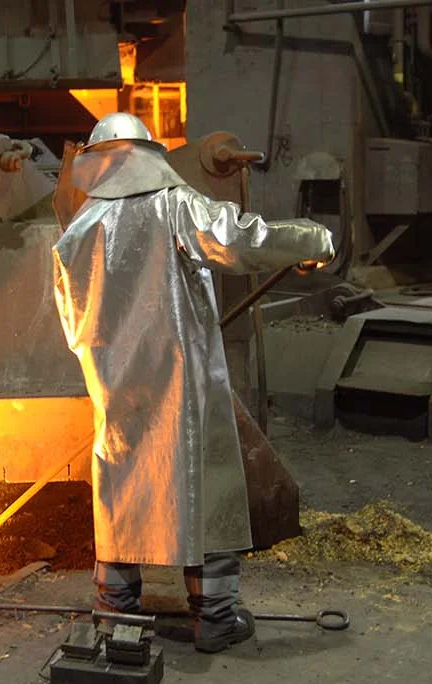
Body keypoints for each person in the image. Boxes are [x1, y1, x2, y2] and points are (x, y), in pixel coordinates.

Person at [52, 112, 335, 653]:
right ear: (145, 156)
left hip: (114, 385)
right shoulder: (173, 206)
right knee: (205, 486)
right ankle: (217, 619)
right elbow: (239, 240)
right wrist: (310, 239)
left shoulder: (77, 233)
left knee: (122, 488)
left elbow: (71, 324)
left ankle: (114, 619)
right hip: (183, 381)